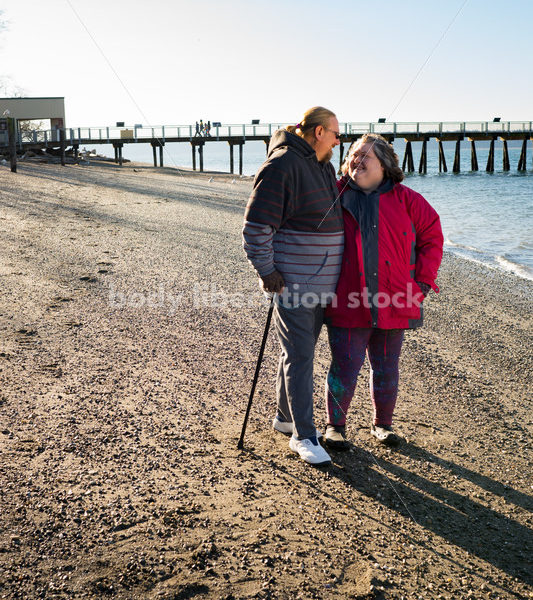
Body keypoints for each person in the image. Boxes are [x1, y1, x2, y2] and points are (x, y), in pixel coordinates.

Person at [323, 134, 443, 450]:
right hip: (347, 301)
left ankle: (383, 425)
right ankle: (335, 427)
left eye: (365, 156)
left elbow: (432, 236)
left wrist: (422, 282)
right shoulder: (334, 196)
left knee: (387, 366)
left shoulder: (408, 200)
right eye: (353, 154)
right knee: (344, 366)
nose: (356, 160)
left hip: (395, 299)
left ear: (385, 165)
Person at [243, 106, 344, 466]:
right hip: (295, 283)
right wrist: (267, 271)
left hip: (320, 283)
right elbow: (256, 227)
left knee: (296, 353)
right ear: (318, 133)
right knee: (301, 357)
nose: (338, 140)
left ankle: (286, 418)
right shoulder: (282, 165)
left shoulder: (323, 165)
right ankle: (303, 435)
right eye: (336, 133)